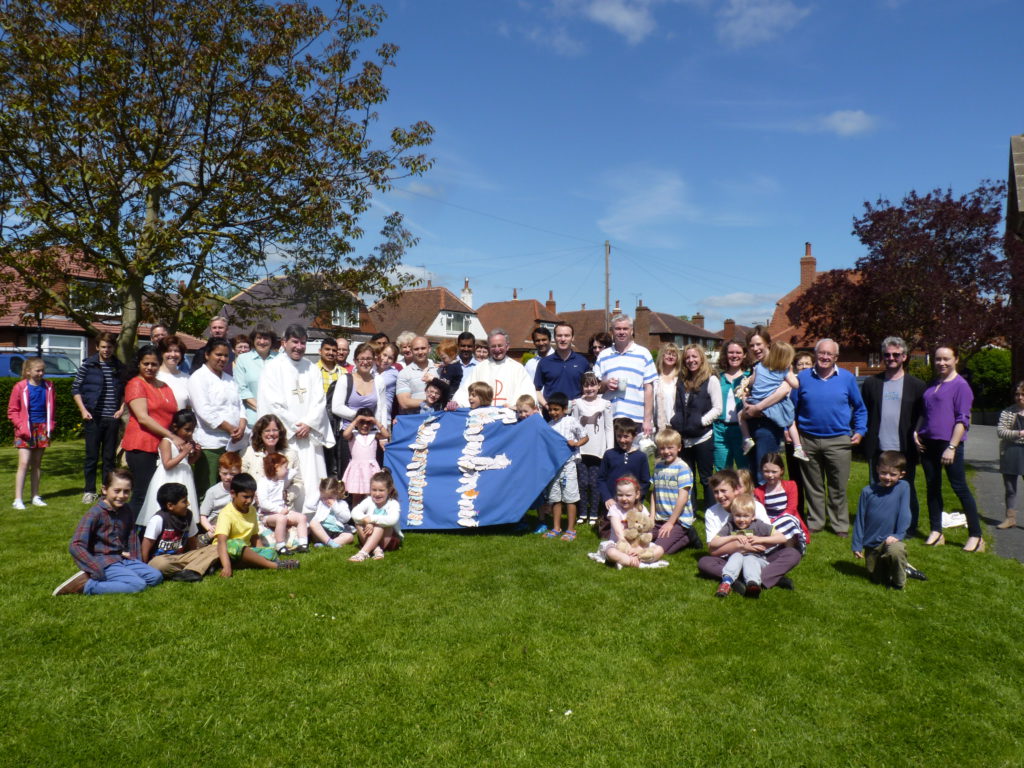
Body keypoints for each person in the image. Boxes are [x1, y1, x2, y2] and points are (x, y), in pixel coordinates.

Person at [791, 338, 867, 537]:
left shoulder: (847, 378)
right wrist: (791, 433)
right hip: (808, 439)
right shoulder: (803, 377)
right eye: (821, 353)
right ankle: (815, 521)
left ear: (836, 357)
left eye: (829, 354)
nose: (825, 357)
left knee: (838, 486)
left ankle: (839, 524)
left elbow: (860, 408)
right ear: (815, 354)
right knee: (813, 485)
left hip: (839, 440)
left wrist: (860, 430)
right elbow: (792, 409)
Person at [257, 324, 335, 514]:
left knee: (313, 477)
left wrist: (308, 423)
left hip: (309, 436)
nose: (299, 347)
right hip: (287, 438)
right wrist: (294, 426)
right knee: (290, 478)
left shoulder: (311, 368)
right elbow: (273, 403)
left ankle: (316, 520)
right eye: (295, 342)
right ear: (284, 343)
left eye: (303, 343)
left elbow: (319, 400)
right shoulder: (272, 368)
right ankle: (289, 519)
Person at [53, 469, 164, 596]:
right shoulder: (95, 513)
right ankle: (87, 585)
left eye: (126, 491)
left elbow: (132, 537)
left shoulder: (126, 509)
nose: (122, 496)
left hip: (123, 559)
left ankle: (121, 578)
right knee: (138, 585)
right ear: (105, 490)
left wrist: (136, 561)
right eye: (117, 491)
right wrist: (95, 569)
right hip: (104, 562)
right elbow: (76, 545)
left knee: (155, 576)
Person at [915, 344, 983, 551]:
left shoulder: (961, 386)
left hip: (949, 444)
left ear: (956, 360)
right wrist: (916, 431)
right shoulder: (933, 383)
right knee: (932, 487)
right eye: (937, 359)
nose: (941, 363)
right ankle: (936, 531)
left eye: (946, 359)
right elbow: (925, 412)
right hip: (928, 443)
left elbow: (963, 420)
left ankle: (976, 536)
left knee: (959, 487)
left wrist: (952, 447)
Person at [860, 336, 927, 536]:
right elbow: (864, 412)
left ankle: (908, 526)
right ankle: (877, 524)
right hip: (878, 447)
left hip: (905, 448)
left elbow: (923, 415)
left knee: (906, 490)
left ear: (904, 356)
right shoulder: (872, 383)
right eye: (887, 354)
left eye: (896, 354)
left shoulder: (917, 385)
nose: (891, 358)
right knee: (877, 489)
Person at [698, 469, 801, 592]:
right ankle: (768, 578)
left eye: (724, 491)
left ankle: (740, 579)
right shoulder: (712, 512)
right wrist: (741, 546)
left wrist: (756, 542)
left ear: (736, 489)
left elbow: (771, 541)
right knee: (704, 562)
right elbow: (713, 550)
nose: (720, 496)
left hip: (759, 557)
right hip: (729, 559)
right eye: (716, 492)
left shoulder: (754, 506)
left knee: (792, 554)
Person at [122, 344, 188, 519]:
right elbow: (143, 418)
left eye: (154, 364)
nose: (150, 368)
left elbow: (173, 415)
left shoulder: (164, 386)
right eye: (146, 364)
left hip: (163, 446)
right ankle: (128, 535)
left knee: (159, 494)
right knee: (143, 494)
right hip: (142, 445)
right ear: (139, 364)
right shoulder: (136, 384)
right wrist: (172, 436)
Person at [188, 338, 246, 498]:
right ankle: (203, 522)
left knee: (230, 490)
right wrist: (229, 428)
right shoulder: (198, 377)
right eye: (218, 354)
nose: (223, 359)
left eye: (226, 356)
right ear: (207, 355)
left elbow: (239, 405)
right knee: (207, 489)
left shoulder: (229, 378)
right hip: (210, 443)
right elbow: (204, 411)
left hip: (233, 443)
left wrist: (242, 424)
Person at [72, 331, 125, 504]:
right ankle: (89, 490)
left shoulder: (119, 367)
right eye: (103, 347)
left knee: (109, 458)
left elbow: (126, 392)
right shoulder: (88, 365)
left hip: (112, 418)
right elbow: (76, 389)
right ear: (97, 347)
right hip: (93, 417)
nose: (106, 350)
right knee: (92, 456)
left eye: (109, 347)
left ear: (114, 347)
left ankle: (106, 490)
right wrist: (82, 410)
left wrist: (121, 409)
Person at [213, 472, 299, 576]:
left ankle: (252, 562)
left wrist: (263, 552)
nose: (249, 501)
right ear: (232, 493)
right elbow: (222, 542)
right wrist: (226, 567)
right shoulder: (226, 514)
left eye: (252, 496)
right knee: (235, 543)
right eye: (245, 497)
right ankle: (274, 566)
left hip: (246, 551)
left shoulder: (252, 510)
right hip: (225, 551)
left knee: (271, 552)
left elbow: (254, 537)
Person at [851, 450, 915, 590]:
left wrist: (898, 535)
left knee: (895, 551)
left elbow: (905, 513)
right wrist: (857, 544)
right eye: (884, 473)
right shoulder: (867, 491)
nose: (887, 477)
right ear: (877, 469)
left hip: (891, 540)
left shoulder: (903, 487)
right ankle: (904, 569)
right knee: (877, 579)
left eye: (893, 475)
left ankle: (899, 583)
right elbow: (860, 519)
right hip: (871, 544)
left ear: (901, 474)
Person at [670, 344, 721, 509]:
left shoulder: (711, 379)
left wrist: (700, 422)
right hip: (684, 437)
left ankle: (710, 511)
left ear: (701, 358)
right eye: (687, 357)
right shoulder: (682, 380)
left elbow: (718, 408)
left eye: (694, 357)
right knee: (687, 478)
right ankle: (689, 512)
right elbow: (677, 406)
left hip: (703, 437)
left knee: (706, 478)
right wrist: (675, 420)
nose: (691, 360)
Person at [708, 493, 787, 598]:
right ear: (732, 514)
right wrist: (733, 537)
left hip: (757, 559)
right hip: (736, 560)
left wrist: (760, 539)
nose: (741, 519)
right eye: (738, 515)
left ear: (753, 516)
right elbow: (713, 542)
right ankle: (726, 584)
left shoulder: (758, 525)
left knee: (750, 558)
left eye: (745, 516)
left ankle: (752, 585)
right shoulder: (730, 526)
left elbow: (782, 538)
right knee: (736, 556)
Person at [738, 341, 805, 464]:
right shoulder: (783, 370)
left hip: (756, 400)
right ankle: (798, 447)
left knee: (740, 416)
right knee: (790, 421)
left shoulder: (759, 367)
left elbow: (751, 382)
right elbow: (796, 385)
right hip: (773, 405)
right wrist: (790, 373)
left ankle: (747, 438)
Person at [141, 482, 220, 582]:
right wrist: (145, 567)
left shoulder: (188, 516)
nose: (188, 504)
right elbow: (145, 546)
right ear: (170, 506)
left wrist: (196, 554)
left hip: (182, 557)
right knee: (159, 564)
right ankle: (197, 568)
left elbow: (192, 542)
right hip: (162, 560)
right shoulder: (158, 519)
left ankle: (189, 571)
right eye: (184, 501)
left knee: (217, 548)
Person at [136, 409, 201, 528]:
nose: (190, 433)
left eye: (192, 430)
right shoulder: (167, 442)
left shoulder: (186, 442)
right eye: (187, 429)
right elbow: (167, 464)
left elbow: (188, 462)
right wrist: (184, 453)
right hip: (168, 477)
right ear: (175, 427)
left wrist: (196, 454)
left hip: (183, 476)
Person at [594, 314, 656, 437]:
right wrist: (605, 384)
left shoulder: (643, 353)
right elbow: (596, 388)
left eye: (625, 329)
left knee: (636, 455)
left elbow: (649, 388)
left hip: (636, 418)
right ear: (612, 331)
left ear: (631, 330)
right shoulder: (603, 355)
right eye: (618, 329)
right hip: (609, 417)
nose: (621, 332)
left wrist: (647, 420)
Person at [540, 392, 587, 541]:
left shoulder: (571, 421)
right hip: (554, 467)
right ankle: (556, 528)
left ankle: (571, 529)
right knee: (555, 498)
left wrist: (577, 443)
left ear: (564, 409)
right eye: (550, 410)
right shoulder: (549, 426)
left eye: (556, 409)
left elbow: (585, 436)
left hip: (568, 465)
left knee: (570, 498)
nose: (553, 413)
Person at [9, 356, 55, 509]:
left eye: (43, 370)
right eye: (38, 370)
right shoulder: (20, 387)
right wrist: (21, 426)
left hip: (42, 428)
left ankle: (35, 496)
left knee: (36, 464)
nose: (41, 373)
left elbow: (52, 408)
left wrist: (51, 424)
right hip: (25, 430)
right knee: (23, 464)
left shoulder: (49, 386)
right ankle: (18, 499)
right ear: (28, 372)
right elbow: (12, 411)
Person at [591, 475, 665, 569]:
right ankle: (633, 561)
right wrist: (628, 548)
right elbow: (619, 533)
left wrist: (640, 549)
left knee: (660, 550)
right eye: (620, 495)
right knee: (611, 552)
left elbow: (646, 531)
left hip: (639, 545)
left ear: (637, 494)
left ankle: (635, 559)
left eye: (628, 495)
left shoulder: (641, 509)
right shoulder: (615, 509)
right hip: (619, 544)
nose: (624, 498)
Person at [596, 417, 651, 538]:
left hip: (632, 503)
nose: (622, 440)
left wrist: (636, 500)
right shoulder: (609, 454)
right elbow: (600, 479)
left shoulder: (641, 457)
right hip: (612, 503)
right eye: (619, 436)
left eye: (626, 436)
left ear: (634, 436)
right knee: (606, 535)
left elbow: (645, 482)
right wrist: (607, 498)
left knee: (635, 533)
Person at [572, 371, 614, 527]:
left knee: (595, 483)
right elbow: (575, 426)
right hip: (583, 450)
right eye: (586, 385)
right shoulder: (577, 404)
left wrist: (609, 449)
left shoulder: (605, 404)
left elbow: (609, 428)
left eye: (592, 385)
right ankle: (583, 512)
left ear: (598, 385)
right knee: (583, 483)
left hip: (599, 450)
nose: (589, 388)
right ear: (582, 387)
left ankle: (594, 513)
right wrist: (576, 448)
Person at [458, 329, 535, 409]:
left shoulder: (518, 368)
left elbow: (527, 391)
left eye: (500, 345)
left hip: (509, 415)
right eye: (493, 346)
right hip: (483, 415)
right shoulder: (480, 368)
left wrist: (517, 406)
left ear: (507, 346)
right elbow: (465, 391)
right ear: (489, 348)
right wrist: (457, 403)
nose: (497, 349)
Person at [240, 414, 304, 509]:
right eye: (267, 430)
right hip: (253, 507)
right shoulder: (248, 453)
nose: (271, 434)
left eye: (275, 430)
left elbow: (298, 483)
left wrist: (287, 495)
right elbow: (241, 480)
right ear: (260, 433)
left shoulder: (291, 454)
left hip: (283, 508)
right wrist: (252, 496)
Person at [650, 428, 697, 554]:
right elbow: (654, 492)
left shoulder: (682, 468)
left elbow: (683, 498)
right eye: (662, 448)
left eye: (670, 447)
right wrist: (651, 516)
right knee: (644, 540)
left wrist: (671, 522)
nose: (666, 451)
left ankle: (688, 537)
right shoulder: (658, 466)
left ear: (679, 448)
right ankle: (677, 536)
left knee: (659, 549)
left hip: (678, 520)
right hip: (660, 519)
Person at [257, 452, 307, 554]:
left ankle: (303, 544)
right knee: (281, 519)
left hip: (282, 512)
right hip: (267, 515)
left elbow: (293, 472)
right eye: (285, 467)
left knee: (302, 517)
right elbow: (263, 503)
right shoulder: (263, 482)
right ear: (276, 468)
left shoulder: (280, 480)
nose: (287, 470)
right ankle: (280, 546)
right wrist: (279, 510)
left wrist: (285, 466)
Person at [349, 468, 402, 562]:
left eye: (381, 490)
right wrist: (365, 520)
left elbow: (392, 520)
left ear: (389, 490)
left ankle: (363, 553)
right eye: (374, 490)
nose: (377, 494)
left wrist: (371, 520)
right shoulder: (368, 500)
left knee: (379, 526)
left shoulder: (393, 503)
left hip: (389, 540)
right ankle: (376, 550)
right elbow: (354, 512)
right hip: (369, 536)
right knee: (358, 523)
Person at [341, 406, 389, 507]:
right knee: (356, 497)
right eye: (362, 422)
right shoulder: (353, 435)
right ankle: (356, 521)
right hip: (357, 469)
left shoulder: (374, 434)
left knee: (371, 495)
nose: (365, 425)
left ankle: (370, 517)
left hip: (371, 469)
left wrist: (376, 421)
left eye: (368, 423)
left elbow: (386, 435)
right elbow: (345, 435)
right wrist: (356, 420)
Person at [713, 341, 749, 471]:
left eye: (738, 352)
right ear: (725, 354)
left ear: (744, 355)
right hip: (720, 430)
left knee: (745, 471)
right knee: (722, 472)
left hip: (742, 430)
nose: (734, 356)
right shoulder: (717, 378)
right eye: (731, 352)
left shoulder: (749, 377)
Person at [233, 324, 279, 425]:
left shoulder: (280, 359)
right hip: (252, 419)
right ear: (253, 339)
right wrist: (263, 410)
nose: (262, 342)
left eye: (266, 338)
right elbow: (242, 390)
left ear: (272, 341)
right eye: (259, 338)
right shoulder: (243, 359)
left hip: (278, 418)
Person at [535, 322, 589, 406]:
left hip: (576, 413)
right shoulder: (544, 362)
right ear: (554, 338)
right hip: (551, 414)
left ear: (572, 338)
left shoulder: (582, 362)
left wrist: (583, 401)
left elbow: (590, 387)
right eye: (559, 335)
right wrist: (546, 405)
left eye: (567, 335)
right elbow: (536, 389)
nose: (563, 339)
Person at [996, 381, 1024, 530]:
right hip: (1010, 452)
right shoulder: (1007, 412)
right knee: (1010, 488)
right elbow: (1001, 432)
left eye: (1023, 394)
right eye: (1017, 394)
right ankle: (1010, 518)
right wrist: (1019, 433)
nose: (1019, 397)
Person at [198, 451, 241, 544]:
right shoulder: (213, 492)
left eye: (233, 474)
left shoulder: (240, 490)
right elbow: (202, 516)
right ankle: (205, 538)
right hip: (216, 523)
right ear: (219, 472)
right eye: (225, 473)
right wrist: (209, 527)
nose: (228, 477)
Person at [310, 477, 355, 549]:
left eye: (330, 497)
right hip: (322, 532)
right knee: (313, 522)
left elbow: (346, 519)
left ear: (337, 494)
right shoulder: (321, 503)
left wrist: (335, 506)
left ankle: (327, 544)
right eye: (324, 497)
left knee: (349, 537)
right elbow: (309, 505)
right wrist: (319, 494)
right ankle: (329, 542)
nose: (327, 500)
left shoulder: (342, 504)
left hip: (337, 531)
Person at [395, 336, 437, 414]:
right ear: (411, 351)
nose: (420, 352)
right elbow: (404, 403)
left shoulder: (438, 370)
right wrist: (429, 402)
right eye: (416, 349)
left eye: (423, 348)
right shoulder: (404, 373)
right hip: (415, 421)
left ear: (429, 349)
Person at [652, 342, 681, 433]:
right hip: (659, 425)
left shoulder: (680, 379)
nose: (671, 357)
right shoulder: (655, 378)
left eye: (674, 355)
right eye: (668, 353)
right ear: (662, 355)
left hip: (676, 426)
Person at [156, 335, 191, 409]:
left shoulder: (187, 379)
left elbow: (190, 406)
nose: (173, 354)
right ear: (162, 353)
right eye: (168, 351)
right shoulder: (154, 376)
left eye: (177, 351)